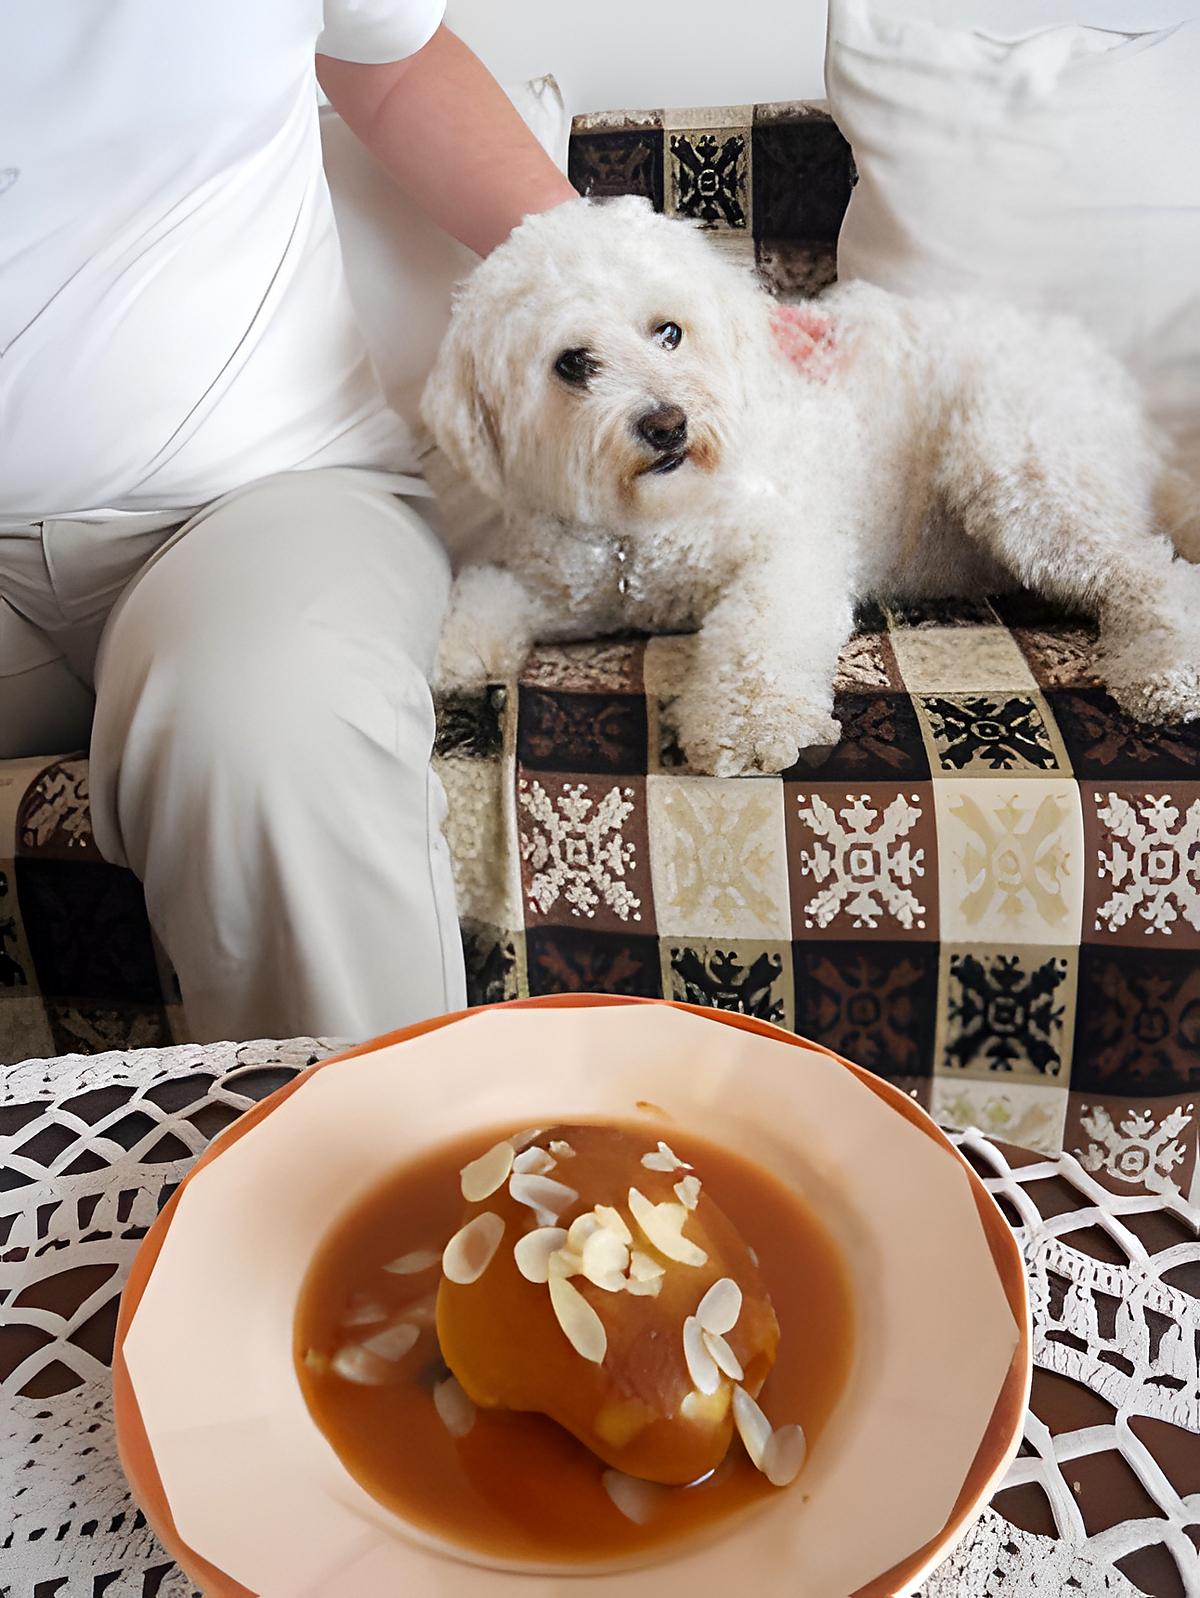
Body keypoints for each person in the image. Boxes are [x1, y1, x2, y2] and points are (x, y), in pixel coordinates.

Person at [0, 4, 577, 1043]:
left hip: (265, 502)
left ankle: (364, 1195)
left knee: (267, 720)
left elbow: (395, 71)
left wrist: (622, 281)